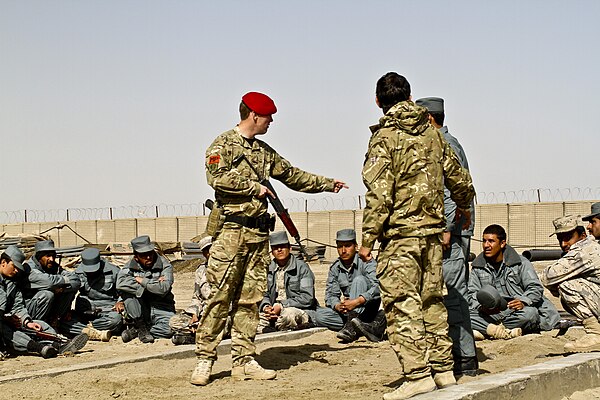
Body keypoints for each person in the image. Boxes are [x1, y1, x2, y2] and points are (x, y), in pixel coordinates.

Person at [191, 91, 347, 386]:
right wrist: (253, 187)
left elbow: (291, 174)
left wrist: (327, 184)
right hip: (230, 233)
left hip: (258, 234)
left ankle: (244, 359)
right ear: (254, 115)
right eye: (268, 117)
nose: (271, 121)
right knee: (219, 297)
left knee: (250, 300)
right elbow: (216, 178)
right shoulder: (222, 144)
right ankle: (204, 360)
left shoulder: (263, 152)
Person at [359, 72, 475, 400]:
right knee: (432, 302)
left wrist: (368, 238)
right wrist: (463, 208)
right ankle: (442, 371)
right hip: (433, 237)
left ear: (378, 102)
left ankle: (417, 374)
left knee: (402, 305)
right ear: (409, 98)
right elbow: (459, 178)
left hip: (400, 238)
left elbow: (379, 194)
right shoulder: (433, 133)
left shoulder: (384, 137)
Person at [415, 96, 477, 376]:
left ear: (429, 118)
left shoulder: (445, 144)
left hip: (450, 234)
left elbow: (452, 192)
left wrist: (445, 229)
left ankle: (465, 359)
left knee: (452, 295)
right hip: (448, 231)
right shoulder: (442, 141)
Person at [468, 224, 560, 340]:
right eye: (484, 241)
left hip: (517, 311)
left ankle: (488, 330)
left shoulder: (521, 263)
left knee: (530, 314)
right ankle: (504, 332)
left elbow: (535, 288)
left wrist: (523, 301)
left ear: (502, 243)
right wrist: (481, 307)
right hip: (491, 313)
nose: (486, 245)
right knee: (461, 315)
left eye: (491, 241)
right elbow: (472, 293)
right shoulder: (478, 267)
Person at [0, 246, 88, 358]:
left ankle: (59, 344)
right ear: (3, 262)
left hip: (8, 319)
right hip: (3, 322)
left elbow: (18, 305)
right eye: (14, 267)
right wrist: (6, 318)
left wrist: (27, 322)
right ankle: (39, 348)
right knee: (9, 332)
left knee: (41, 326)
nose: (16, 271)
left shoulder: (13, 282)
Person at [541, 215, 600, 353]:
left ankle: (596, 334)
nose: (563, 244)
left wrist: (557, 284)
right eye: (560, 239)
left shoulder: (585, 250)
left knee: (567, 286)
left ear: (582, 235)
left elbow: (547, 277)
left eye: (568, 238)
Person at [314, 228, 384, 343]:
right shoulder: (335, 268)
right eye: (340, 246)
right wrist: (338, 306)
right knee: (320, 316)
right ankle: (355, 325)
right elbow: (330, 295)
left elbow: (378, 287)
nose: (343, 250)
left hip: (368, 308)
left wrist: (357, 301)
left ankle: (351, 329)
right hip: (348, 311)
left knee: (359, 280)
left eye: (347, 246)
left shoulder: (365, 262)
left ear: (356, 247)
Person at [116, 235, 176, 343]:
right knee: (128, 295)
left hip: (161, 306)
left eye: (150, 253)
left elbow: (164, 288)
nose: (148, 257)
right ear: (136, 257)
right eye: (143, 255)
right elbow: (120, 283)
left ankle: (140, 330)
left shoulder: (165, 265)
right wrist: (153, 284)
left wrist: (143, 281)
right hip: (142, 307)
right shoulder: (130, 265)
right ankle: (141, 325)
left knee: (170, 330)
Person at [258, 231, 318, 333]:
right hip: (274, 311)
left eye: (282, 246)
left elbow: (307, 298)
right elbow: (264, 294)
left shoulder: (302, 268)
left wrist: (281, 306)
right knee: (249, 319)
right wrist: (266, 307)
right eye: (275, 248)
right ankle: (273, 328)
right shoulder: (268, 269)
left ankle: (271, 329)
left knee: (288, 316)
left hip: (297, 309)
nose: (279, 250)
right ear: (272, 252)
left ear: (290, 248)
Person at [61, 248, 123, 341]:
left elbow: (124, 290)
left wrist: (120, 302)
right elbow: (70, 292)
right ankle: (96, 333)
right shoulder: (78, 273)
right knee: (63, 321)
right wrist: (67, 310)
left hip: (107, 310)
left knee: (116, 321)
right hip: (84, 311)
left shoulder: (114, 271)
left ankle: (84, 329)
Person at [21, 240, 81, 329]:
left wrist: (62, 290)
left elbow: (76, 281)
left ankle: (55, 321)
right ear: (39, 256)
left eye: (53, 255)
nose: (52, 259)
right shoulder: (29, 268)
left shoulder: (53, 266)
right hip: (29, 309)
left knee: (69, 290)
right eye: (48, 256)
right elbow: (48, 282)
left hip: (49, 308)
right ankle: (36, 326)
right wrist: (64, 280)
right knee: (47, 294)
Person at [169, 235, 213, 345]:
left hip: (221, 315)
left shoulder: (230, 269)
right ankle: (201, 333)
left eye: (212, 249)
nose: (210, 253)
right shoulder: (201, 271)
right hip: (202, 315)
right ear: (203, 253)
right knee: (174, 322)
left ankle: (196, 335)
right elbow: (197, 297)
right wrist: (195, 315)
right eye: (206, 251)